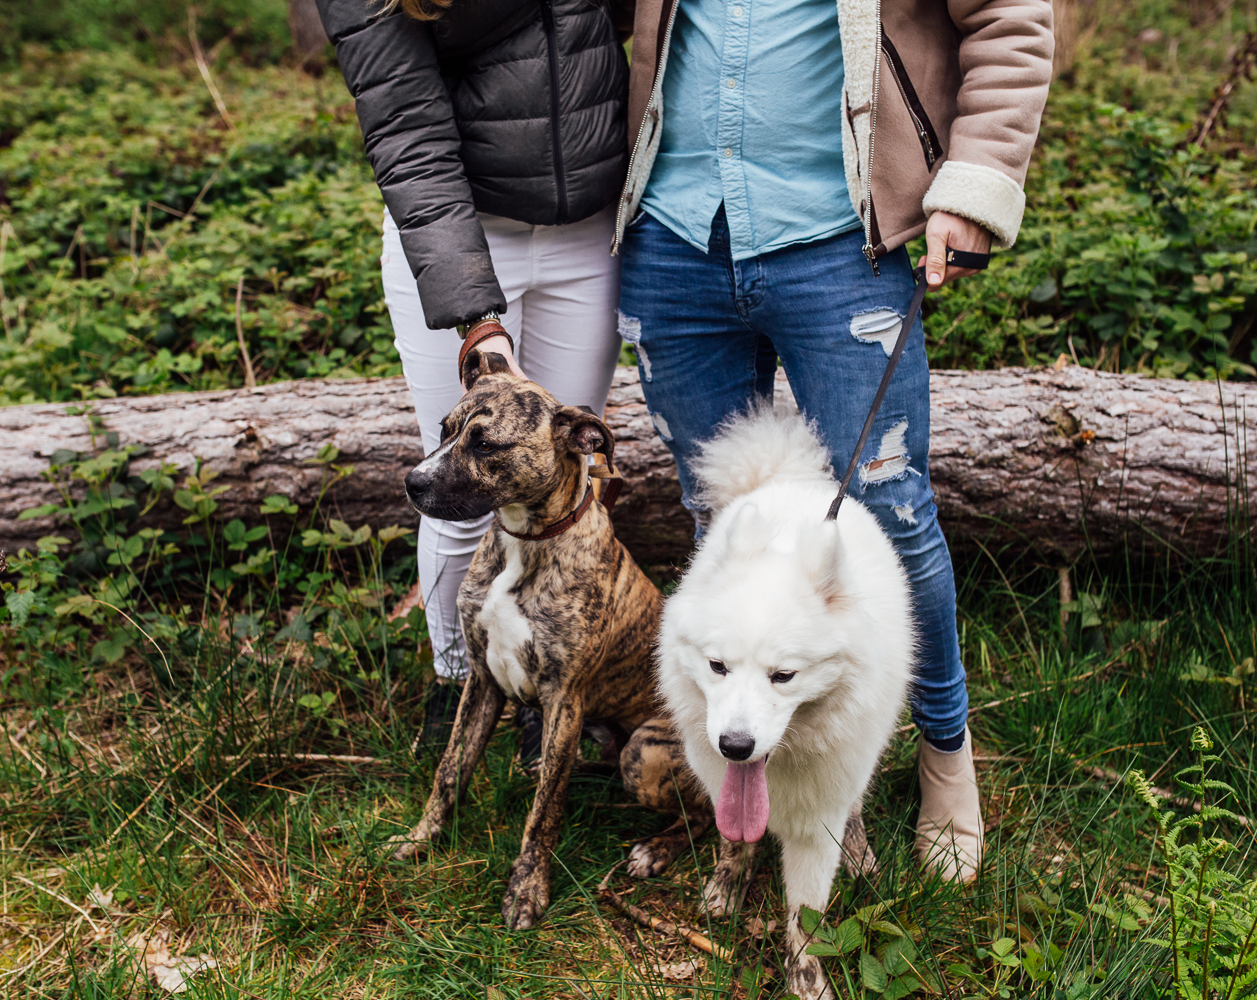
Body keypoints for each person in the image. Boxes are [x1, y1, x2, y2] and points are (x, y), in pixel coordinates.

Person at [613, 0, 1053, 880]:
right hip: (674, 231)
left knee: (888, 516)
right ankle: (789, 775)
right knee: (724, 522)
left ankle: (944, 752)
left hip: (841, 237)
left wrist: (971, 184)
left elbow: (1011, 21)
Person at [317, 0, 633, 754]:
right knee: (461, 488)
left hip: (587, 229)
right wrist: (477, 324)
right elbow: (408, 136)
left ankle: (546, 693)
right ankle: (456, 680)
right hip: (460, 235)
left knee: (561, 481)